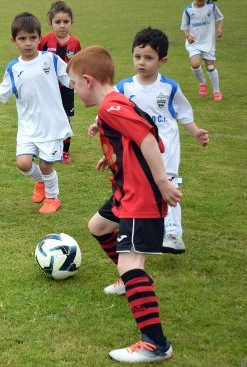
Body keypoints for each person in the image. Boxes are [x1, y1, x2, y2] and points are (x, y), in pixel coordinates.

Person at [67, 45, 181, 363]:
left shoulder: (111, 108)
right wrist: (112, 155)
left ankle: (155, 344)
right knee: (98, 226)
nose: (75, 92)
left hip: (140, 196)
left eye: (75, 84)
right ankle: (131, 281)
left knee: (130, 263)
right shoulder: (116, 104)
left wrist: (161, 183)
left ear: (88, 80)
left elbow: (147, 138)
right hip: (126, 190)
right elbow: (144, 133)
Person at [89, 28, 209, 294]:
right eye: (137, 56)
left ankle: (172, 234)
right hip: (132, 165)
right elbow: (115, 119)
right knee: (100, 225)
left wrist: (196, 130)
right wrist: (107, 149)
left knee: (167, 187)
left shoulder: (169, 87)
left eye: (148, 58)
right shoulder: (125, 87)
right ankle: (130, 274)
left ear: (162, 61)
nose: (142, 62)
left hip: (161, 154)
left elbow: (183, 114)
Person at [0, 13, 71, 214]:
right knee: (23, 163)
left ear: (40, 38)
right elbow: (3, 92)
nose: (28, 43)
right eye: (23, 39)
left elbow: (68, 78)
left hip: (51, 125)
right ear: (14, 41)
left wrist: (83, 81)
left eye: (33, 38)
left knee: (46, 165)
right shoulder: (14, 67)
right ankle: (40, 183)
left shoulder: (50, 59)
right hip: (27, 125)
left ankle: (53, 198)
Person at [39, 1, 81, 165]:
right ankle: (46, 147)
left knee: (65, 118)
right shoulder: (45, 40)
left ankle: (65, 151)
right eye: (58, 22)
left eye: (66, 22)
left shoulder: (75, 43)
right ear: (51, 23)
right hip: (48, 88)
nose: (62, 25)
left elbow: (78, 63)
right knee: (46, 116)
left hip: (67, 88)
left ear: (71, 22)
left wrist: (77, 82)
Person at [181, 0, 224, 101]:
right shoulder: (188, 10)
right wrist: (188, 36)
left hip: (208, 42)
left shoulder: (211, 7)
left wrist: (220, 28)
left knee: (210, 68)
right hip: (194, 43)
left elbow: (220, 18)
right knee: (195, 64)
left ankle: (216, 91)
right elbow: (184, 28)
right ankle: (202, 82)